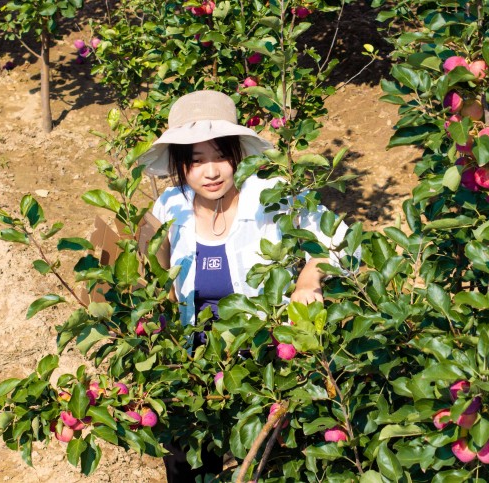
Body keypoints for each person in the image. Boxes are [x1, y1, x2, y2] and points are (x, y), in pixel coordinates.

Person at [138, 90, 351, 481]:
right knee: (186, 462)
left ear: (238, 156)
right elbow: (146, 249)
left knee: (263, 458)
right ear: (181, 167)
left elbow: (339, 239)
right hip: (193, 361)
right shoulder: (170, 205)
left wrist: (309, 276)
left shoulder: (270, 199)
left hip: (262, 357)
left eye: (220, 157)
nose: (212, 172)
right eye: (197, 161)